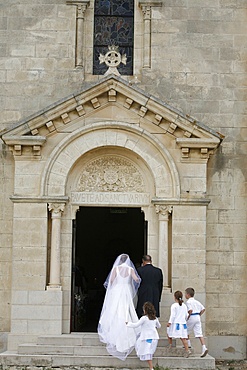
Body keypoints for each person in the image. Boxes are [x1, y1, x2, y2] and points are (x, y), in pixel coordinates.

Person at [97, 253, 141, 360]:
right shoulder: (130, 269)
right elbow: (136, 279)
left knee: (115, 310)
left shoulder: (116, 269)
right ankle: (127, 327)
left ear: (120, 260)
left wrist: (117, 283)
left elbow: (110, 281)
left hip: (117, 291)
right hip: (126, 290)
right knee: (126, 309)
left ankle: (114, 329)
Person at [126, 301, 161, 370]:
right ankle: (150, 367)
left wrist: (128, 323)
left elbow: (136, 325)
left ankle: (151, 368)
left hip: (147, 337)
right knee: (148, 352)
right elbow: (159, 326)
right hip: (154, 337)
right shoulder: (155, 318)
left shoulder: (144, 318)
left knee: (146, 352)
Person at [185, 287, 208, 358]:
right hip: (197, 317)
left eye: (185, 294)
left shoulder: (188, 302)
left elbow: (190, 310)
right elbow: (203, 309)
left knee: (186, 330)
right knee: (199, 333)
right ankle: (204, 347)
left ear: (188, 295)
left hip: (192, 316)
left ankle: (188, 344)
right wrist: (199, 314)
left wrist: (188, 317)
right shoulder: (197, 302)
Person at [166, 290, 191, 358]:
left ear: (175, 297)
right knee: (183, 338)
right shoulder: (184, 306)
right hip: (182, 324)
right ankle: (187, 350)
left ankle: (170, 344)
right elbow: (186, 315)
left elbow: (173, 315)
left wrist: (169, 322)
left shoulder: (174, 305)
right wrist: (184, 320)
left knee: (168, 333)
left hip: (175, 323)